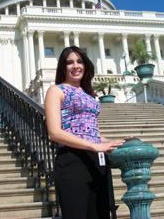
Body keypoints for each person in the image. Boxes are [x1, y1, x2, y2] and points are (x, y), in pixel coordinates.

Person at [44, 46, 125, 219]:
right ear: (63, 67)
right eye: (70, 62)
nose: (76, 66)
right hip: (72, 160)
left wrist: (116, 142)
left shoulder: (89, 95)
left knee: (100, 214)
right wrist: (95, 146)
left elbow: (92, 133)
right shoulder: (56, 91)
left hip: (96, 162)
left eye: (80, 61)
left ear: (86, 66)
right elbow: (54, 133)